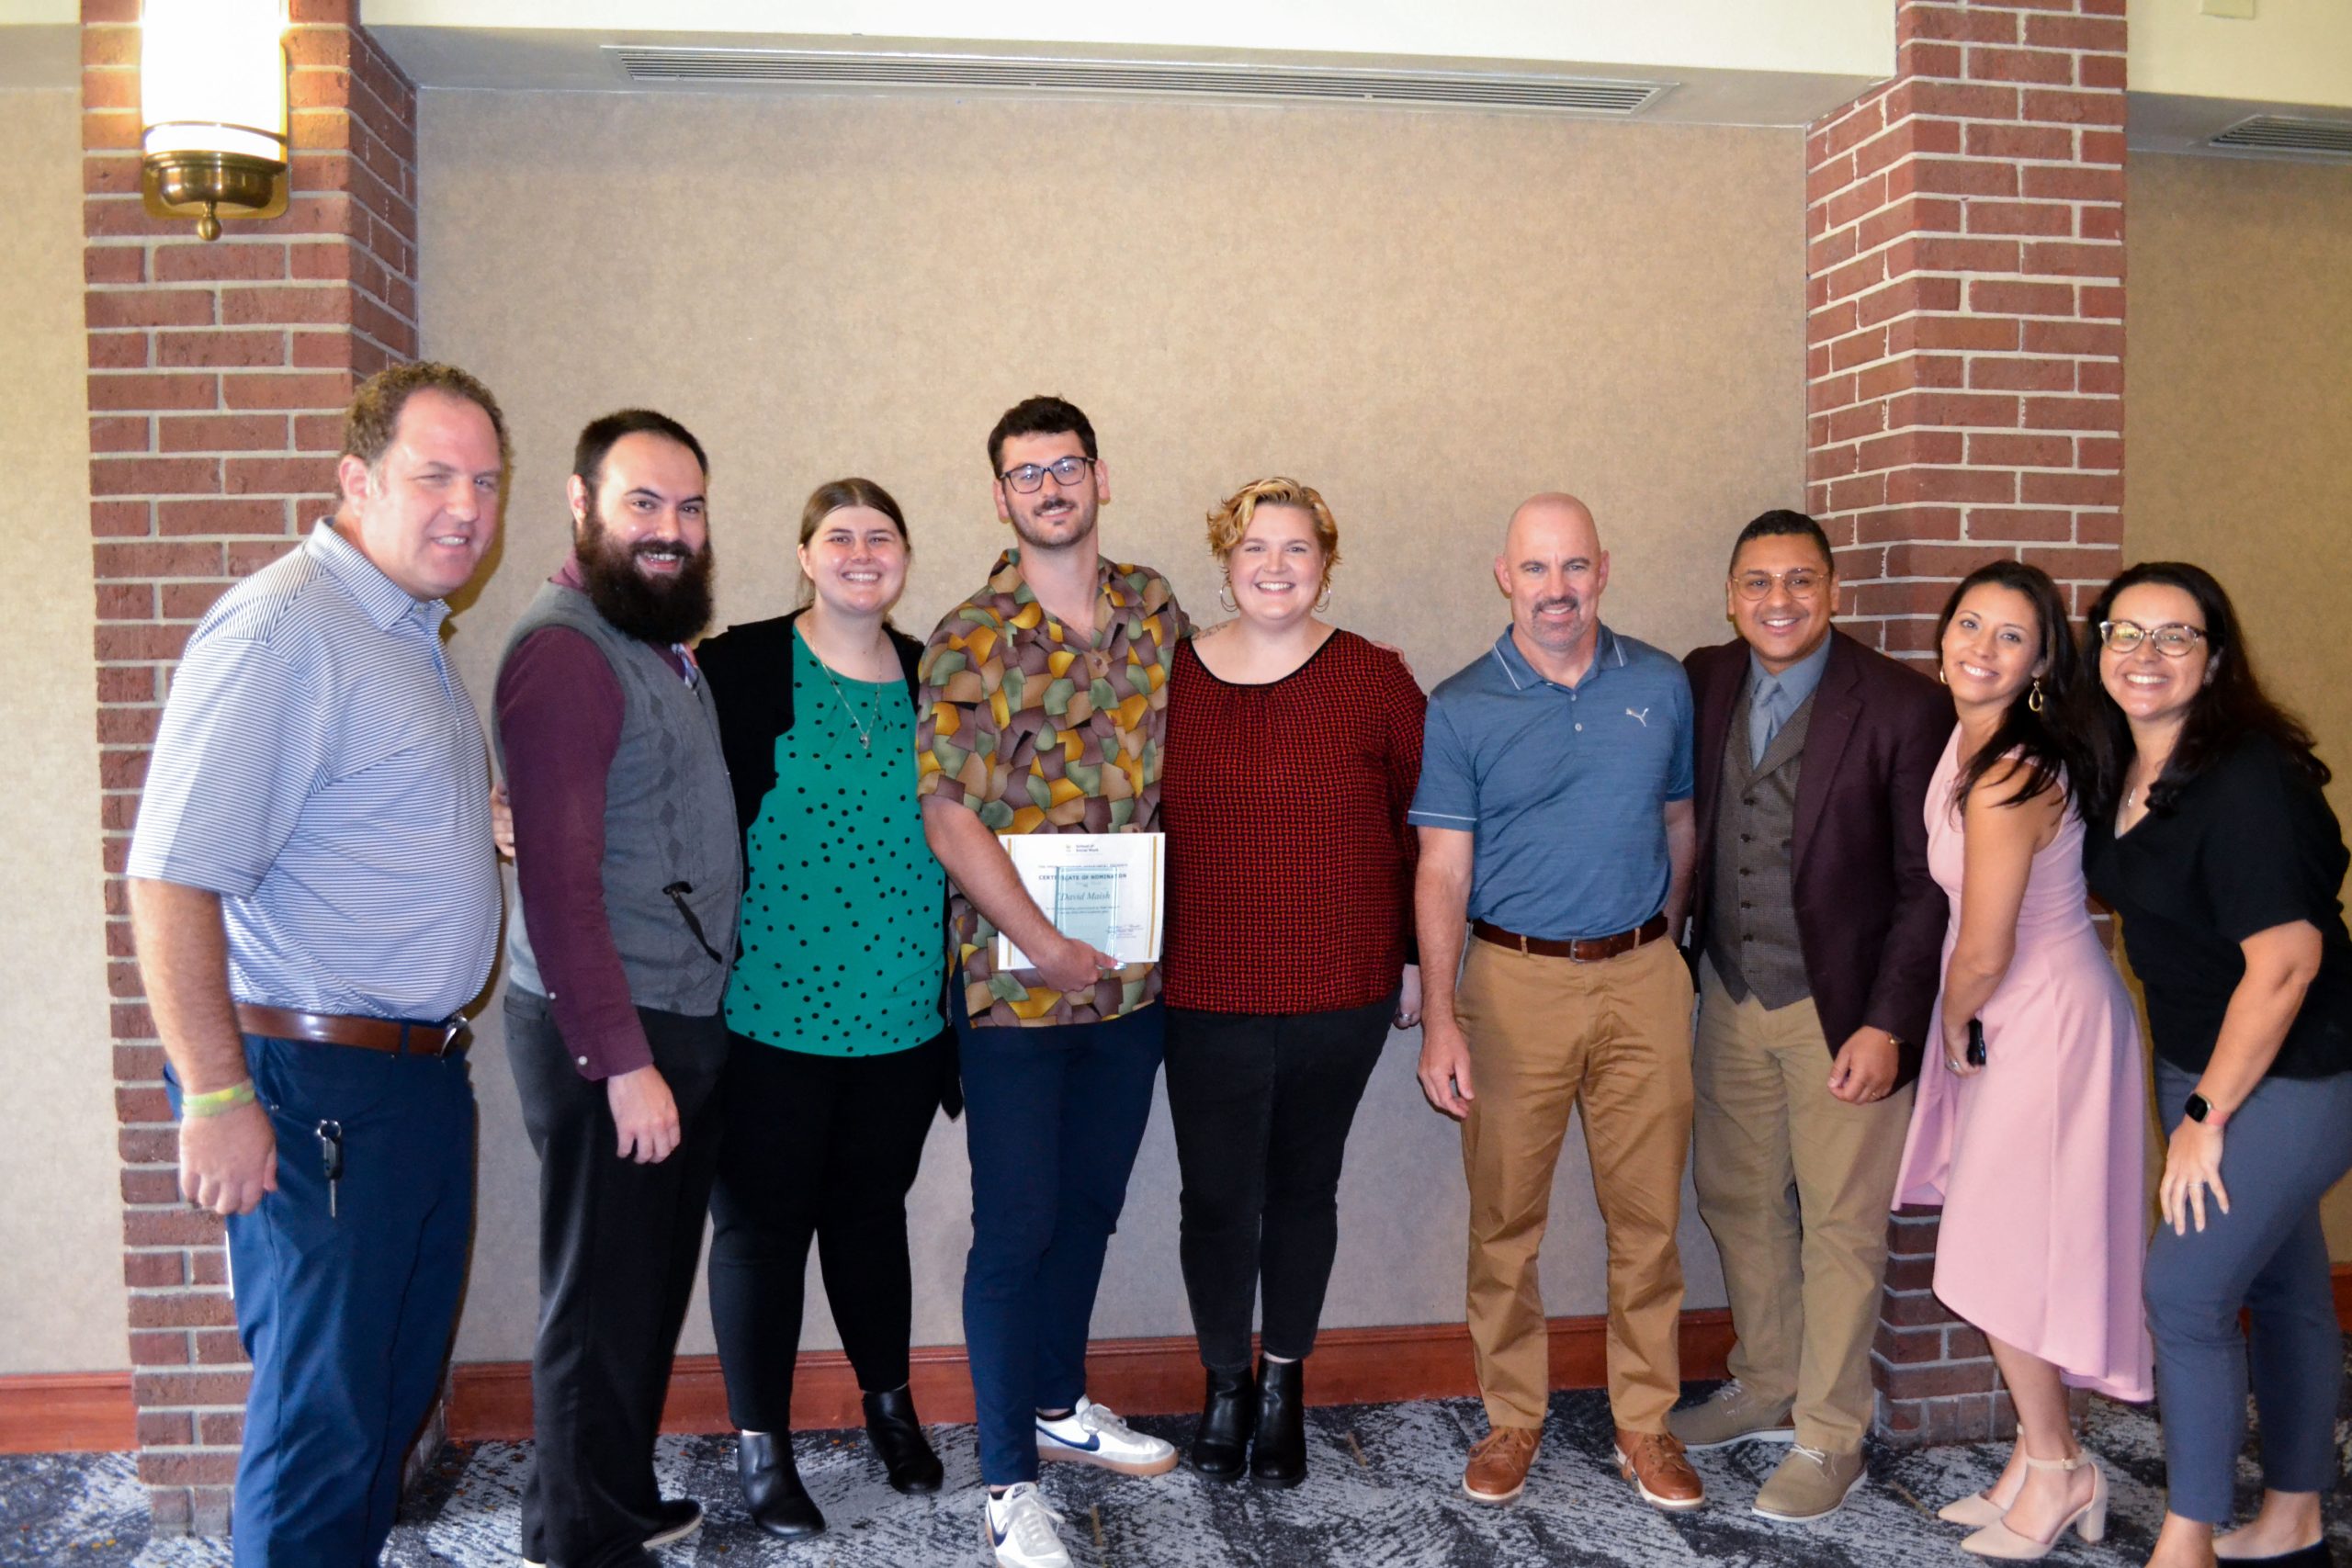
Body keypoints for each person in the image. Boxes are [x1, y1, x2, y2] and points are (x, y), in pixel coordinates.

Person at [124, 362, 508, 1565]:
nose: (465, 505)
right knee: (325, 1418)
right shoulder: (285, 628)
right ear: (357, 479)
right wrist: (219, 1094)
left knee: (384, 1398)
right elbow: (172, 873)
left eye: (485, 481)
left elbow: (349, 810)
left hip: (411, 1083)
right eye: (433, 474)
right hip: (316, 1092)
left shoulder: (402, 628)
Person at [916, 396, 1185, 1568]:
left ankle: (1058, 1401)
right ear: (1001, 497)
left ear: (1100, 477)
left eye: (1066, 466)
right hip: (1015, 994)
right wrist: (1042, 939)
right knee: (1014, 1227)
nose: (1050, 487)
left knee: (1091, 1207)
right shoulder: (967, 635)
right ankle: (1007, 1485)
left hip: (1128, 989)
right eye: (1026, 474)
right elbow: (947, 815)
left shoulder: (1157, 610)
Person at [1409, 492, 1702, 1513]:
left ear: (1604, 570)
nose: (1555, 591)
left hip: (1641, 976)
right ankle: (1512, 1418)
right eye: (1535, 570)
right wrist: (1442, 1015)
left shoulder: (1661, 686)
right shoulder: (1459, 705)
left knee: (1648, 1223)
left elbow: (1677, 823)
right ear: (1504, 575)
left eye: (1573, 568)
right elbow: (1441, 871)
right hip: (1510, 983)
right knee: (1504, 1225)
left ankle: (1645, 1424)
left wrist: (1655, 940)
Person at [1668, 509, 1950, 1521]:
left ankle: (1832, 1435)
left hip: (1843, 1011)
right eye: (1756, 583)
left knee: (1838, 1227)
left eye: (1797, 582)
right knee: (1737, 1197)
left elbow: (1929, 889)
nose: (1776, 602)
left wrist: (1887, 1023)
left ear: (1831, 592)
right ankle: (1765, 1383)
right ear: (1729, 594)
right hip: (1729, 993)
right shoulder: (1703, 679)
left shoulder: (1904, 706)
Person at [496, 410, 738, 1568]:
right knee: (595, 1297)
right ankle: (574, 1539)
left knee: (636, 1287)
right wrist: (624, 1061)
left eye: (688, 508)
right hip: (613, 1034)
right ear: (583, 505)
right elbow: (557, 883)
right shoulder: (565, 652)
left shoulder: (649, 641)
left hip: (668, 1014)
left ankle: (609, 1495)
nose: (670, 530)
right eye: (643, 503)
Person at [695, 479, 956, 1536]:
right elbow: (656, 780)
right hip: (766, 1016)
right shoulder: (737, 666)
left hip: (900, 1015)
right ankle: (764, 1450)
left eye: (879, 536)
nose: (859, 552)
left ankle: (889, 1410)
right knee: (760, 1230)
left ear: (903, 558)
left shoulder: (935, 676)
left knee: (868, 1217)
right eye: (837, 537)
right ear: (804, 555)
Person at [2081, 563, 2352, 1568]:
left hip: (2296, 1073)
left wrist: (2202, 1116)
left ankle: (2185, 1540)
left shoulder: (2246, 780)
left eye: (2174, 636)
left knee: (2186, 1294)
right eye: (2123, 633)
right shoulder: (2122, 759)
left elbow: (2285, 966)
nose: (2144, 656)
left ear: (2215, 658)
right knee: (2281, 1289)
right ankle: (2291, 1518)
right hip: (2202, 1061)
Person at [1158, 477, 1425, 1487]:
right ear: (1225, 560)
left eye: (1298, 549)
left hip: (1340, 988)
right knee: (1215, 1200)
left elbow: (1423, 830)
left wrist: (1409, 961)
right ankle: (1223, 1381)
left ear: (1326, 561)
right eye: (1255, 547)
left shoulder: (1373, 680)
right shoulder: (1171, 677)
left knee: (1304, 1191)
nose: (1276, 566)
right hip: (1204, 990)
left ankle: (1284, 1385)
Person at [1892, 560, 2152, 1562]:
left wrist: (1952, 1029)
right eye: (1968, 625)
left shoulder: (2008, 772)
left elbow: (1986, 944)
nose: (1979, 649)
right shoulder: (1972, 742)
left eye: (2009, 636)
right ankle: (2042, 1457)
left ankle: (2056, 1466)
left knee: (2002, 1250)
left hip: (2034, 1017)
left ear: (2043, 660)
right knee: (2014, 1241)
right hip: (2020, 1008)